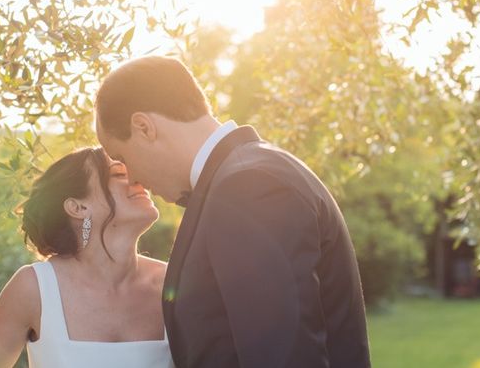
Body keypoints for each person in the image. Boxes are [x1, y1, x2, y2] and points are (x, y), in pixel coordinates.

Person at [95, 56, 372, 368]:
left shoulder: (248, 186)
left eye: (121, 156)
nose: (130, 177)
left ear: (144, 127)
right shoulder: (245, 175)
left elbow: (283, 357)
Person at [0, 147, 175, 368]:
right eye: (119, 174)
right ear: (78, 207)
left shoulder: (174, 285)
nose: (139, 179)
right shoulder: (34, 288)